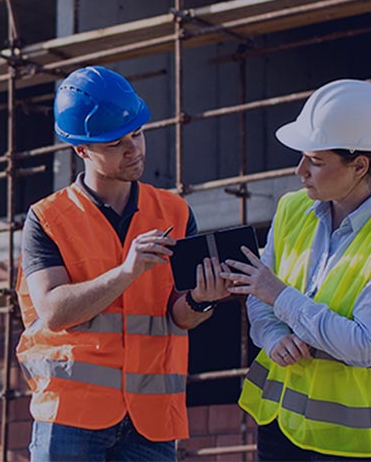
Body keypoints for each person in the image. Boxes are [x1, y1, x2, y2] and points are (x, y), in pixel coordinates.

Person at [222, 79, 371, 461]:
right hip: (283, 425)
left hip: (355, 442)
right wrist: (273, 335)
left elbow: (365, 346)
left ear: (360, 165)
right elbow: (259, 291)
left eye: (316, 161)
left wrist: (280, 296)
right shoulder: (292, 209)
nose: (300, 171)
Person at [15, 65, 231, 461]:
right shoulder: (47, 219)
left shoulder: (174, 212)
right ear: (82, 149)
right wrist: (127, 272)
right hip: (72, 416)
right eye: (116, 143)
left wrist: (202, 300)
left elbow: (179, 316)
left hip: (151, 420)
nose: (134, 149)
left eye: (138, 134)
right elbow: (54, 311)